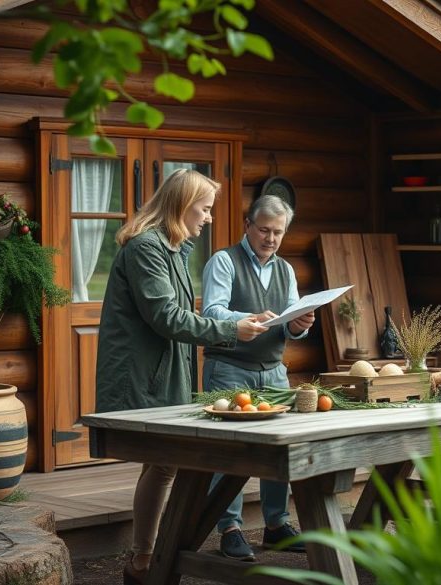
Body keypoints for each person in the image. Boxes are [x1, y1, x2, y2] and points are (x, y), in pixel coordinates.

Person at [94, 169, 268, 584]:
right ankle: (145, 560)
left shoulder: (172, 247)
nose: (208, 217)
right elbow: (167, 318)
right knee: (163, 463)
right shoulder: (146, 248)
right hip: (142, 375)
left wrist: (240, 321)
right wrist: (233, 329)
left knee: (164, 464)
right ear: (181, 204)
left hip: (164, 373)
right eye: (204, 208)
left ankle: (150, 557)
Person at [200, 194, 315, 561]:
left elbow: (292, 327)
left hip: (274, 370)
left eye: (278, 232)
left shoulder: (286, 270)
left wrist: (299, 326)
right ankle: (229, 528)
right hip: (229, 367)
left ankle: (276, 525)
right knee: (229, 450)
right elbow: (214, 311)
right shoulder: (224, 261)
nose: (270, 238)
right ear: (247, 224)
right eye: (264, 229)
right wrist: (255, 316)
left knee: (278, 448)